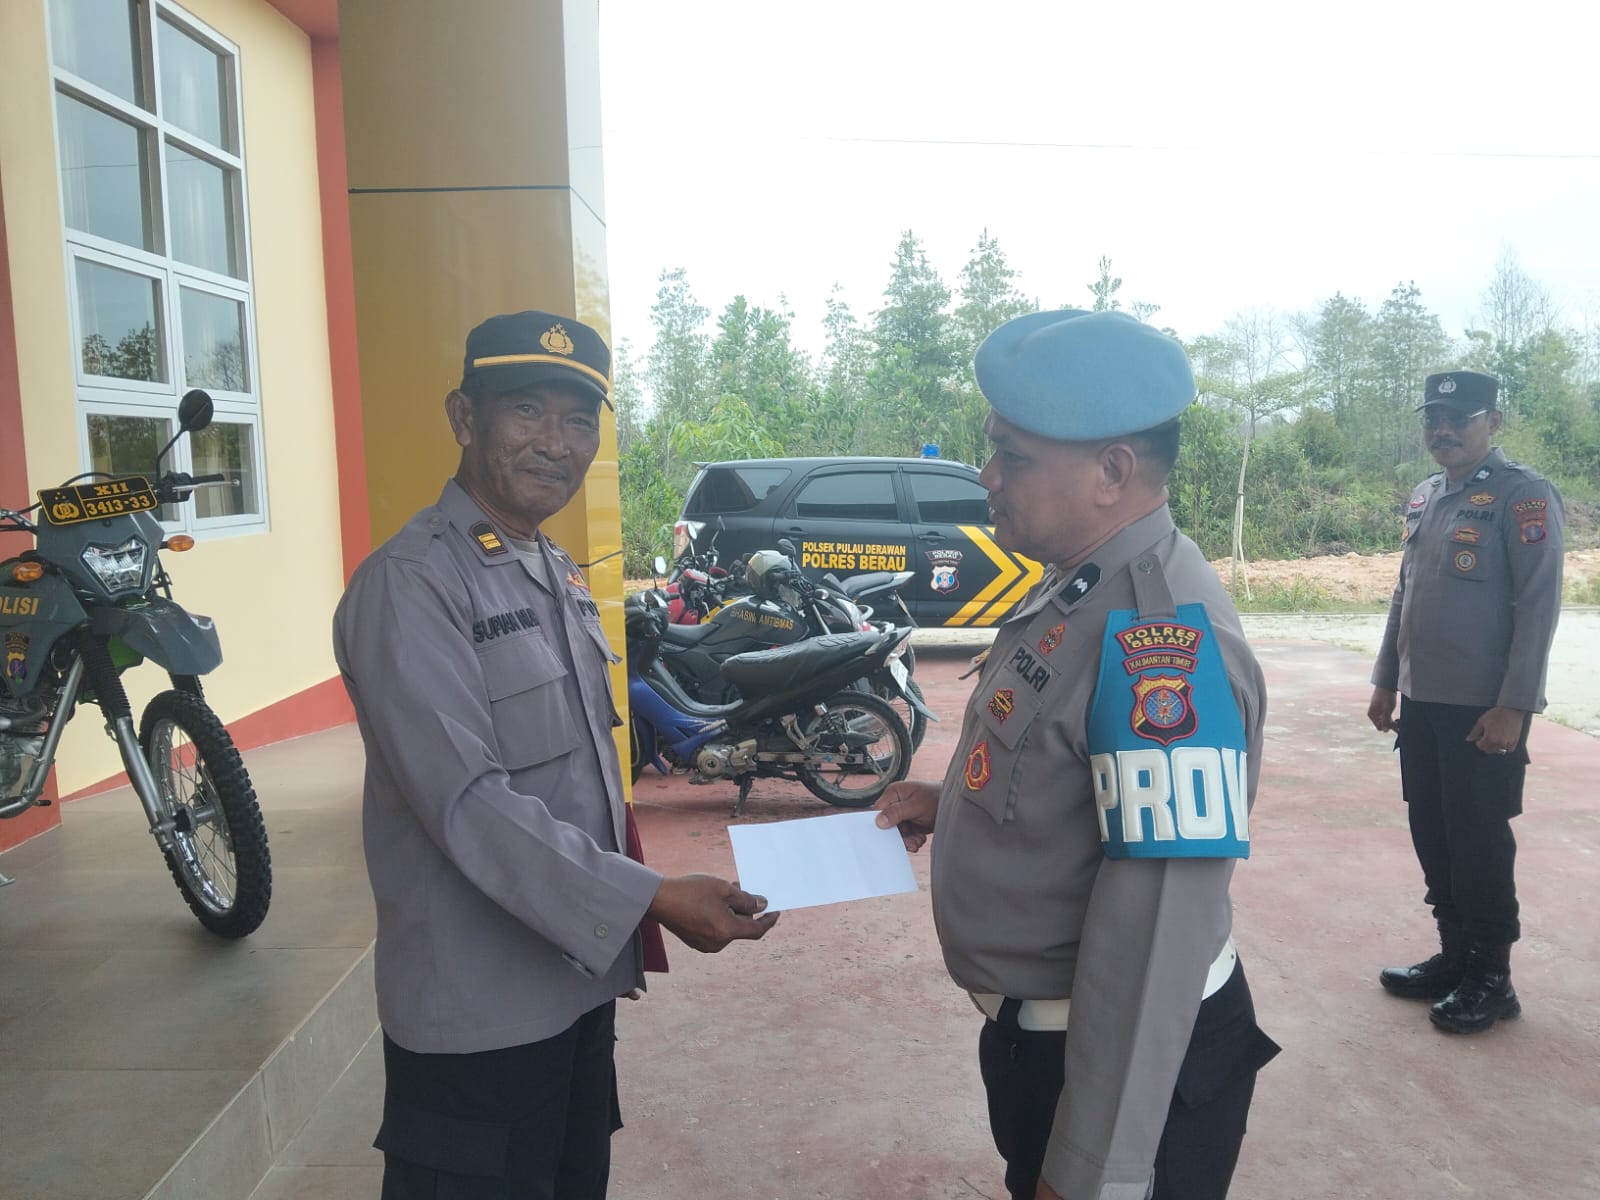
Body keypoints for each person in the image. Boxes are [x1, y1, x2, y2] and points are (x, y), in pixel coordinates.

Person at [332, 310, 778, 1199]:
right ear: (465, 417)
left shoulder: (552, 569)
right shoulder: (411, 584)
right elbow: (468, 803)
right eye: (527, 411)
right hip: (477, 1015)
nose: (556, 442)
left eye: (578, 420)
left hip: (573, 986)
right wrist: (650, 896)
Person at [878, 309, 1279, 1200]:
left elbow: (1157, 934)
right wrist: (953, 804)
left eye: (1012, 457)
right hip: (1043, 1047)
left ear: (1113, 472)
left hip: (1120, 1074)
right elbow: (1064, 775)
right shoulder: (1081, 582)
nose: (987, 478)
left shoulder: (1162, 644)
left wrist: (1096, 1170)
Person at [1368, 369, 1563, 1035]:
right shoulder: (1426, 495)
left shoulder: (1522, 495)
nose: (1444, 430)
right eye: (1434, 419)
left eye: (1461, 419)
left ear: (1493, 422)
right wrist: (1386, 678)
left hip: (1483, 709)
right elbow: (1405, 591)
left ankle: (1491, 976)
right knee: (1432, 830)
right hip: (1421, 700)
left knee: (1478, 840)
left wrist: (1515, 705)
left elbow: (1537, 604)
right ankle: (1454, 956)